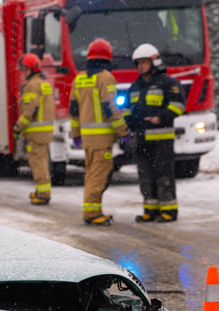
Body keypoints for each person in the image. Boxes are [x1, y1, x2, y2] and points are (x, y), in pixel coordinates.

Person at [69, 39, 129, 225]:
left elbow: (73, 110)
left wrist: (76, 134)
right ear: (107, 57)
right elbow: (110, 108)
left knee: (91, 174)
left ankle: (93, 210)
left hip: (87, 138)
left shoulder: (79, 79)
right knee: (98, 175)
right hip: (102, 139)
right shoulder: (105, 78)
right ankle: (92, 214)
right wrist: (124, 132)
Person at [124, 43, 185, 223]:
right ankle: (150, 210)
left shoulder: (168, 83)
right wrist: (128, 122)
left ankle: (169, 211)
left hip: (161, 139)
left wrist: (161, 117)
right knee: (145, 176)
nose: (140, 67)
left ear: (154, 62)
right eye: (138, 63)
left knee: (163, 175)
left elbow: (179, 104)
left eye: (144, 62)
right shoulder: (135, 86)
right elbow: (127, 108)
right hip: (141, 139)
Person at [12, 53, 55, 205]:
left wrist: (18, 127)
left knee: (38, 163)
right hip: (44, 131)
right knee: (41, 161)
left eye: (25, 70)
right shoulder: (43, 83)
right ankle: (41, 190)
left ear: (33, 69)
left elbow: (30, 110)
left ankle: (43, 194)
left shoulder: (32, 85)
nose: (23, 73)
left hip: (36, 132)